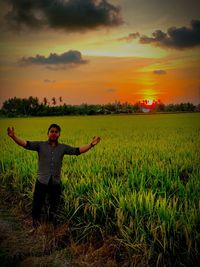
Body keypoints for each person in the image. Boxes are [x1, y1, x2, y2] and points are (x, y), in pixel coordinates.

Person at [7, 124, 100, 230]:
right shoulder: (40, 145)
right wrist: (13, 136)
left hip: (55, 182)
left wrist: (91, 145)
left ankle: (52, 227)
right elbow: (25, 144)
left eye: (56, 132)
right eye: (52, 131)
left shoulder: (63, 148)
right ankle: (36, 226)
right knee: (37, 204)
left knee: (54, 206)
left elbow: (77, 151)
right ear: (48, 133)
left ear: (59, 134)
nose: (54, 133)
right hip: (41, 181)